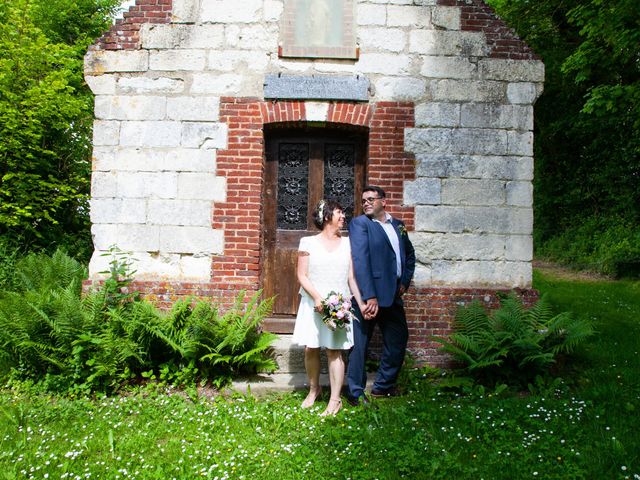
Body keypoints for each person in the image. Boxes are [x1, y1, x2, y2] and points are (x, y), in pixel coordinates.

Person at [292, 199, 365, 416]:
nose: (344, 217)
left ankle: (335, 400)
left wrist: (359, 302)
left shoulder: (349, 243)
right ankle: (314, 390)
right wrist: (317, 298)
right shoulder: (307, 243)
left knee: (335, 351)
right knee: (311, 348)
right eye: (339, 213)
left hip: (338, 305)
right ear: (326, 217)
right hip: (313, 302)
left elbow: (351, 277)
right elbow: (301, 275)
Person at [346, 186, 416, 406]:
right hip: (369, 297)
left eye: (370, 199)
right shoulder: (360, 224)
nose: (366, 203)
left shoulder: (398, 225)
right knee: (360, 345)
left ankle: (383, 387)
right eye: (363, 200)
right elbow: (360, 261)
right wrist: (370, 297)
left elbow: (410, 255)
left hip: (394, 294)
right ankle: (355, 392)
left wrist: (404, 282)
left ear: (383, 202)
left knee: (398, 339)